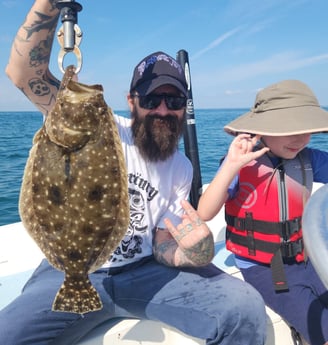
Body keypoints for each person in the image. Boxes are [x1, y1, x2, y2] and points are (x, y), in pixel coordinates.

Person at [0, 1, 267, 344]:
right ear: (131, 100)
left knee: (244, 308)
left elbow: (161, 245)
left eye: (174, 102)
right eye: (151, 99)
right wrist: (50, 5)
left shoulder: (180, 168)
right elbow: (24, 75)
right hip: (68, 269)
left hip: (144, 273)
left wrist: (191, 253)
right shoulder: (96, 125)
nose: (162, 110)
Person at [198, 79, 328, 345]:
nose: (300, 139)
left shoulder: (309, 158)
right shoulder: (241, 164)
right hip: (267, 268)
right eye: (291, 130)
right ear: (263, 128)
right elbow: (204, 212)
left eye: (308, 130)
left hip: (308, 258)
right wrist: (230, 166)